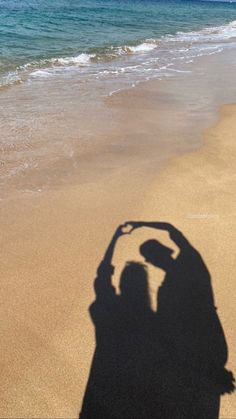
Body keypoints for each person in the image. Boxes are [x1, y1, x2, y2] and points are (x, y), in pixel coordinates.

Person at [125, 221, 235, 418]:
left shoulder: (171, 285)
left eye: (148, 257)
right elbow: (171, 229)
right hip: (213, 341)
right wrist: (142, 224)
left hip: (196, 350)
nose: (149, 262)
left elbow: (171, 324)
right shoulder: (192, 260)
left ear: (158, 256)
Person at [80, 225, 159, 419]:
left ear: (123, 283)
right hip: (136, 388)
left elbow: (103, 272)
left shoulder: (106, 303)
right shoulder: (151, 317)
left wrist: (116, 236)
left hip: (102, 381)